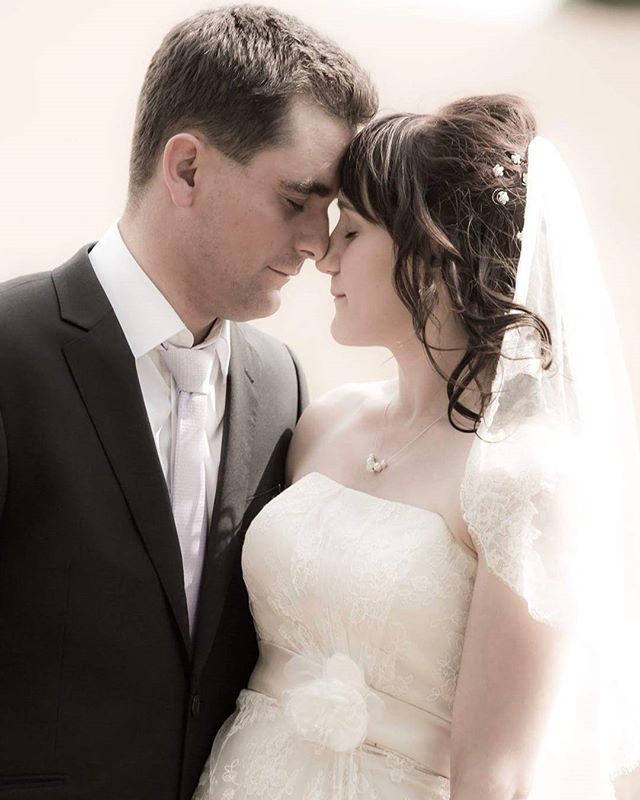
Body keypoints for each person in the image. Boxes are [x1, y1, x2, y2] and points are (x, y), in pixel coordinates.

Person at [194, 96, 640, 799]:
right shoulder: (324, 423)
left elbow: (500, 773)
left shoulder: (521, 478)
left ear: (431, 258)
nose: (322, 256)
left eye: (353, 233)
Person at [0, 7, 377, 799]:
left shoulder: (284, 386)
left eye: (331, 212)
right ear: (187, 169)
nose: (318, 245)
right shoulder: (9, 350)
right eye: (296, 200)